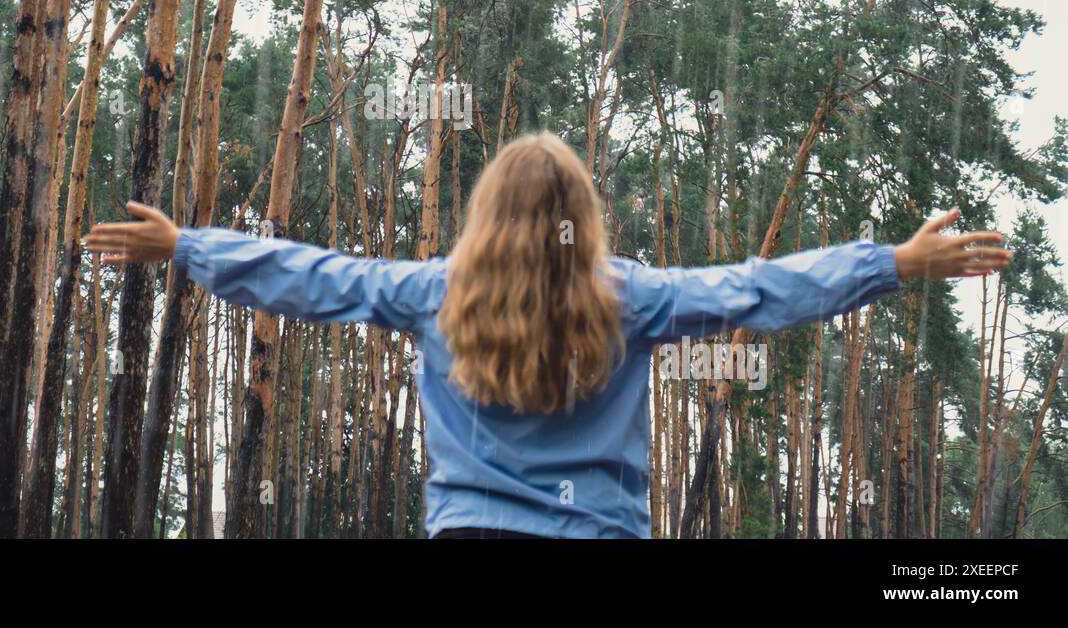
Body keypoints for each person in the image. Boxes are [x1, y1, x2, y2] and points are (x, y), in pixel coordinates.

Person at [83, 131, 1011, 539]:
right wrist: (892, 263)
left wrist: (186, 246)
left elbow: (313, 276)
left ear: (486, 214)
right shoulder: (632, 300)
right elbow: (759, 290)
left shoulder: (431, 294)